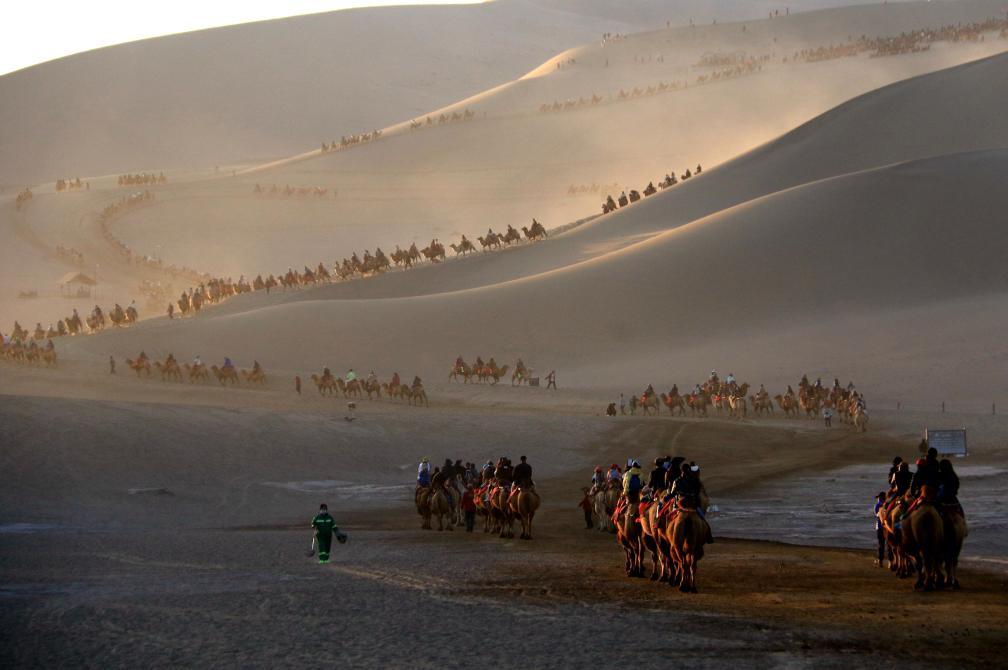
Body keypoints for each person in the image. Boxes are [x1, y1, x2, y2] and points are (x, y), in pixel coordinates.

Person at [874, 492, 887, 567]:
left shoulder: (878, 505)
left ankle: (880, 561)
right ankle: (890, 561)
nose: (878, 499)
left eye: (878, 497)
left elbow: (877, 514)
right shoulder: (887, 504)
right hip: (886, 527)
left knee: (881, 544)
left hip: (879, 526)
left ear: (881, 497)